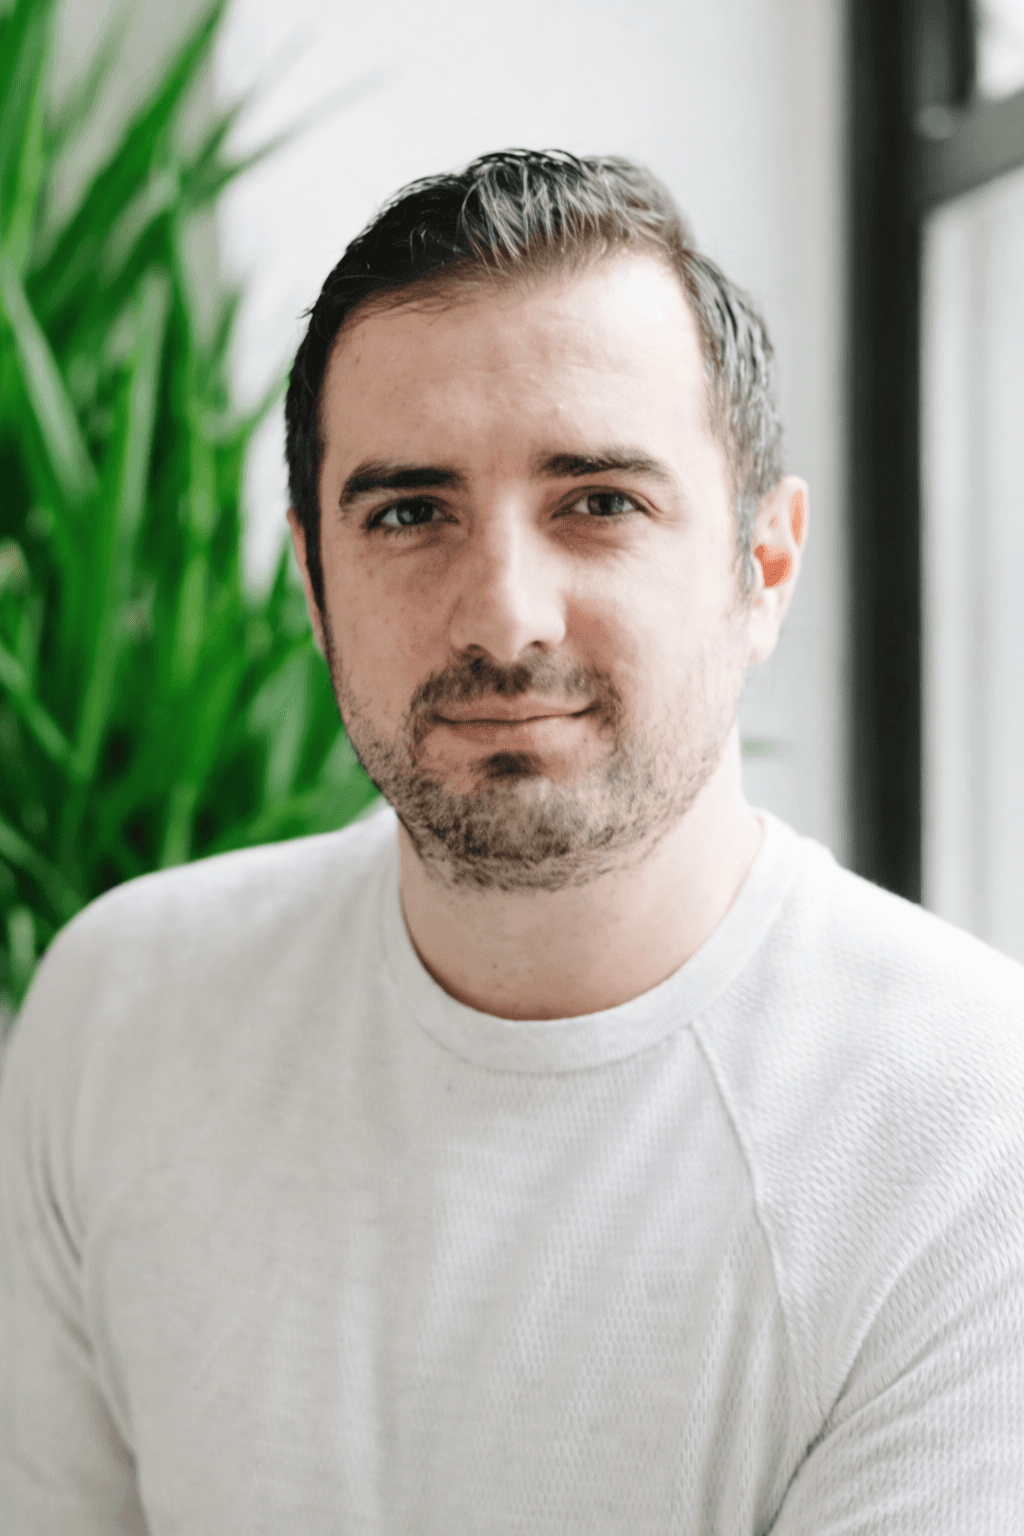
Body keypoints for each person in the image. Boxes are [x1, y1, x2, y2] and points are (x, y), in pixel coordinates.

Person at [1, 149, 1022, 1535]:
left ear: (760, 567)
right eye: (410, 512)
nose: (505, 616)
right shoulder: (122, 1010)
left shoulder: (969, 1121)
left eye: (598, 500)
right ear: (313, 580)